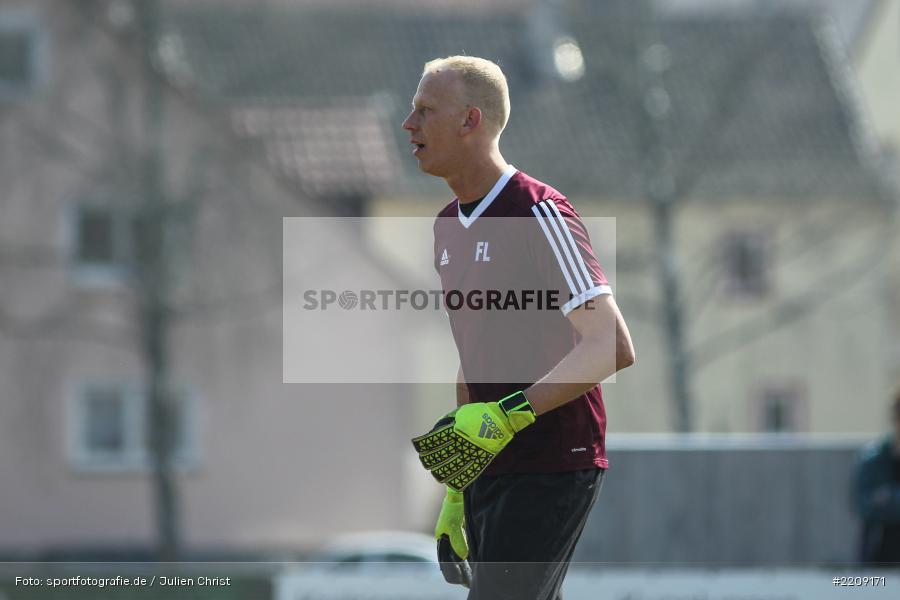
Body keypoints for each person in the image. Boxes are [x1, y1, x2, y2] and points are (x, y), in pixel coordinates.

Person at [402, 56, 635, 599]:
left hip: (555, 461)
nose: (408, 125)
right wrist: (458, 487)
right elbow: (475, 353)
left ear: (470, 122)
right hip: (494, 466)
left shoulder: (540, 211)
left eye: (425, 110)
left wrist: (511, 415)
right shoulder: (446, 227)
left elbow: (611, 345)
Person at [854, 388, 900, 565]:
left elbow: (877, 501)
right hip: (879, 557)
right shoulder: (872, 458)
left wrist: (889, 496)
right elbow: (863, 505)